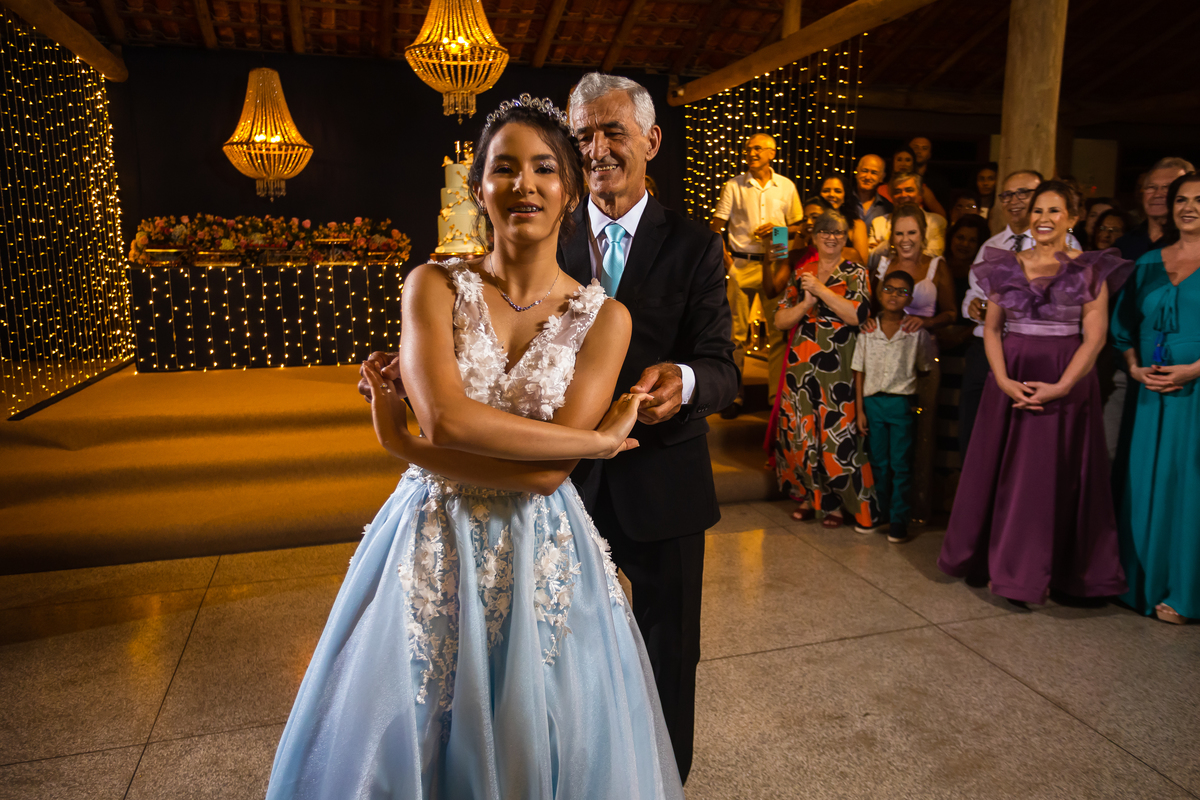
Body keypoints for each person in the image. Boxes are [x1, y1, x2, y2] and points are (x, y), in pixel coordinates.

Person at [271, 96, 685, 799]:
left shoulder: (605, 318)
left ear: (572, 190)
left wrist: (400, 442)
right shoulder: (432, 286)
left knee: (543, 735)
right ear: (478, 188)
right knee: (408, 730)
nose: (525, 184)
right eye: (504, 168)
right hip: (430, 542)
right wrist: (595, 439)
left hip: (540, 548)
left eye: (545, 168)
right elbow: (446, 422)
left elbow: (547, 475)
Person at [563, 73, 739, 779]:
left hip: (664, 481)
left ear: (651, 141)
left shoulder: (695, 244)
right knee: (561, 650)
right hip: (561, 481)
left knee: (669, 652)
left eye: (613, 132)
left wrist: (684, 382)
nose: (597, 149)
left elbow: (722, 366)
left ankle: (664, 783)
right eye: (583, 136)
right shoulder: (543, 234)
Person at [938, 180, 1133, 606]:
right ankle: (999, 565)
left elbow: (1095, 338)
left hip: (1066, 381)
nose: (1044, 219)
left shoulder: (1089, 269)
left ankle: (1053, 572)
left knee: (1051, 477)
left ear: (1073, 218)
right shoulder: (1006, 266)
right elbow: (992, 329)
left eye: (1054, 211)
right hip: (1010, 378)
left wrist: (1062, 386)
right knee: (1004, 472)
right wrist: (1003, 379)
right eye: (1038, 211)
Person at [1111, 172, 1200, 625]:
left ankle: (1185, 593)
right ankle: (1141, 583)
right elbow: (1122, 325)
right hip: (1150, 393)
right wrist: (1133, 367)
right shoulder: (1147, 262)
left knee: (1189, 487)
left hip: (1194, 393)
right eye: (1182, 199)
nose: (1189, 207)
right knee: (1145, 481)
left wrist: (1193, 369)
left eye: (1199, 200)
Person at [958, 169, 1082, 458]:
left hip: (1040, 353)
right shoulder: (992, 245)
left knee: (1030, 443)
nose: (1014, 201)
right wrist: (972, 306)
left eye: (1023, 193)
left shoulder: (1069, 247)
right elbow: (973, 293)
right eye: (1007, 195)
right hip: (987, 349)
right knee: (978, 436)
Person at [770, 210, 879, 528]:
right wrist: (805, 304)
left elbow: (857, 315)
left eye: (838, 232)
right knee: (802, 433)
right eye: (825, 232)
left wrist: (820, 291)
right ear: (815, 237)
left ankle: (838, 503)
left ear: (846, 238)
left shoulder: (856, 272)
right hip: (802, 363)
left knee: (836, 433)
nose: (832, 237)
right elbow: (779, 319)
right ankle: (810, 496)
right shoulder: (802, 272)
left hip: (839, 364)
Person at [864, 204, 956, 522]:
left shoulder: (937, 266)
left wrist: (926, 322)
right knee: (884, 440)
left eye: (912, 232)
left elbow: (952, 312)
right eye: (899, 233)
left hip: (923, 359)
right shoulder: (883, 265)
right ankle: (882, 507)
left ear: (923, 233)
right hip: (884, 360)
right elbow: (873, 307)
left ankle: (915, 509)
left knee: (922, 433)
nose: (905, 239)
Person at [710, 131, 803, 419]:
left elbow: (799, 226)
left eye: (758, 148)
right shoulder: (734, 185)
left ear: (772, 153)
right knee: (735, 334)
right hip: (742, 263)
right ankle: (734, 395)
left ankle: (776, 397)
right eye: (748, 148)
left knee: (778, 333)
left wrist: (779, 230)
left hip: (776, 262)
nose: (751, 152)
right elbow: (716, 224)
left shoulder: (785, 186)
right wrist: (725, 258)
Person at [853, 269, 934, 543]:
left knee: (901, 464)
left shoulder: (915, 333)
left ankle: (899, 519)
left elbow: (925, 367)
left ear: (910, 298)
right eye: (889, 289)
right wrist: (859, 410)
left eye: (902, 292)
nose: (894, 295)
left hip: (901, 403)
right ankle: (880, 513)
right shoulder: (868, 331)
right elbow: (858, 372)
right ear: (879, 292)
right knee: (878, 462)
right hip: (873, 403)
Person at [1114, 157, 1195, 261]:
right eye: (1151, 187)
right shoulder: (1124, 243)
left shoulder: (1193, 243)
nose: (1157, 194)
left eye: (1167, 187)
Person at [868, 172, 947, 258]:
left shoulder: (937, 222)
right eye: (897, 191)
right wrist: (890, 243)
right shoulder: (878, 223)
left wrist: (889, 247)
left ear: (920, 193)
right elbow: (871, 259)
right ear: (891, 196)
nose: (903, 195)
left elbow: (931, 257)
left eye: (909, 190)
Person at [820, 173, 870, 262]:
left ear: (845, 197)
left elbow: (863, 262)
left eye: (837, 191)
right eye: (826, 190)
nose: (831, 194)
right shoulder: (810, 222)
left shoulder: (856, 225)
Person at [853, 154, 893, 248]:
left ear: (882, 177)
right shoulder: (843, 201)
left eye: (874, 173)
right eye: (864, 171)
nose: (867, 177)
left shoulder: (888, 208)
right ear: (857, 172)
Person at [908, 135, 951, 217]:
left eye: (924, 148)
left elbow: (944, 213)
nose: (919, 151)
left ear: (929, 154)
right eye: (915, 147)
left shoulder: (939, 181)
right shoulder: (899, 178)